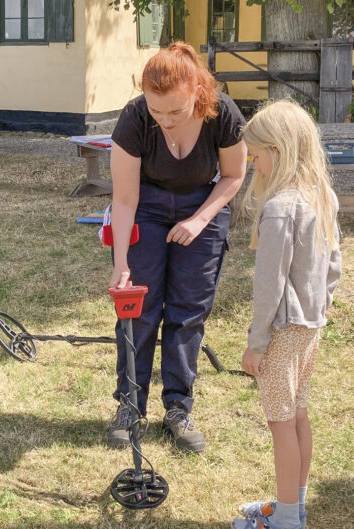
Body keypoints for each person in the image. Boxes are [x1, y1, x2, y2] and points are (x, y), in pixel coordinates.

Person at [107, 42, 247, 452]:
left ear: (198, 94)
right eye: (157, 111)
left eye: (175, 111)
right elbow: (125, 199)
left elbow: (234, 176)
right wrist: (120, 264)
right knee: (139, 310)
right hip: (145, 207)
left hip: (202, 205)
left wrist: (200, 219)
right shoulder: (134, 118)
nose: (164, 121)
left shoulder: (222, 113)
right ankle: (130, 406)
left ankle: (178, 409)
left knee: (188, 311)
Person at [230, 100, 342, 529]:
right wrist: (321, 305)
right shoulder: (322, 196)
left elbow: (268, 287)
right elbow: (335, 265)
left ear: (276, 151)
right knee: (297, 417)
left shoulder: (280, 208)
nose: (253, 163)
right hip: (310, 328)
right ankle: (292, 503)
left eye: (255, 156)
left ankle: (288, 527)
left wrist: (256, 345)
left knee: (280, 424)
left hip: (281, 333)